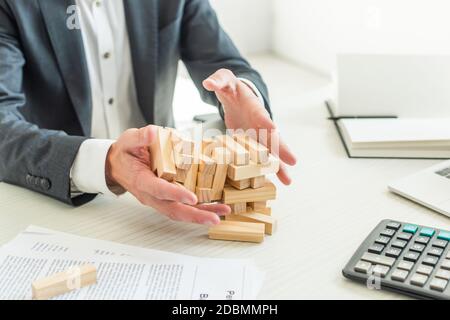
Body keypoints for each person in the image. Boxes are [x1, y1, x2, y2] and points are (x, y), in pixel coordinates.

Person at [0, 0, 296, 226]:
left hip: (169, 206)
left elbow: (226, 63)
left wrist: (242, 94)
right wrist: (106, 163)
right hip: (58, 205)